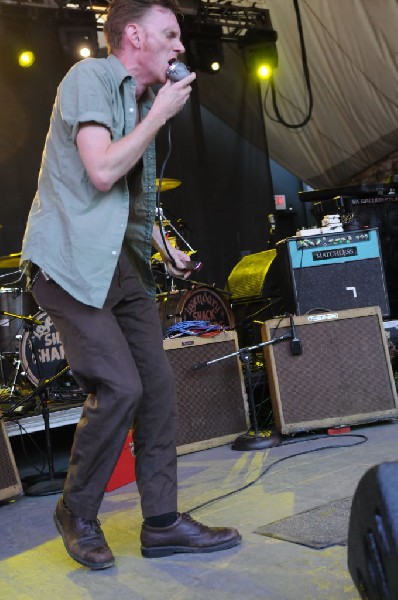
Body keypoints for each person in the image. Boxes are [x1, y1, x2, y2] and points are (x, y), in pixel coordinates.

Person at [20, 0, 241, 569]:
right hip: (68, 264)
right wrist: (161, 113)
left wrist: (165, 248)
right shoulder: (89, 76)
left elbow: (126, 199)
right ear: (135, 36)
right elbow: (100, 170)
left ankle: (163, 524)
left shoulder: (140, 102)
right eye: (170, 34)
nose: (180, 47)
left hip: (121, 267)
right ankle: (77, 510)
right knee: (121, 386)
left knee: (159, 390)